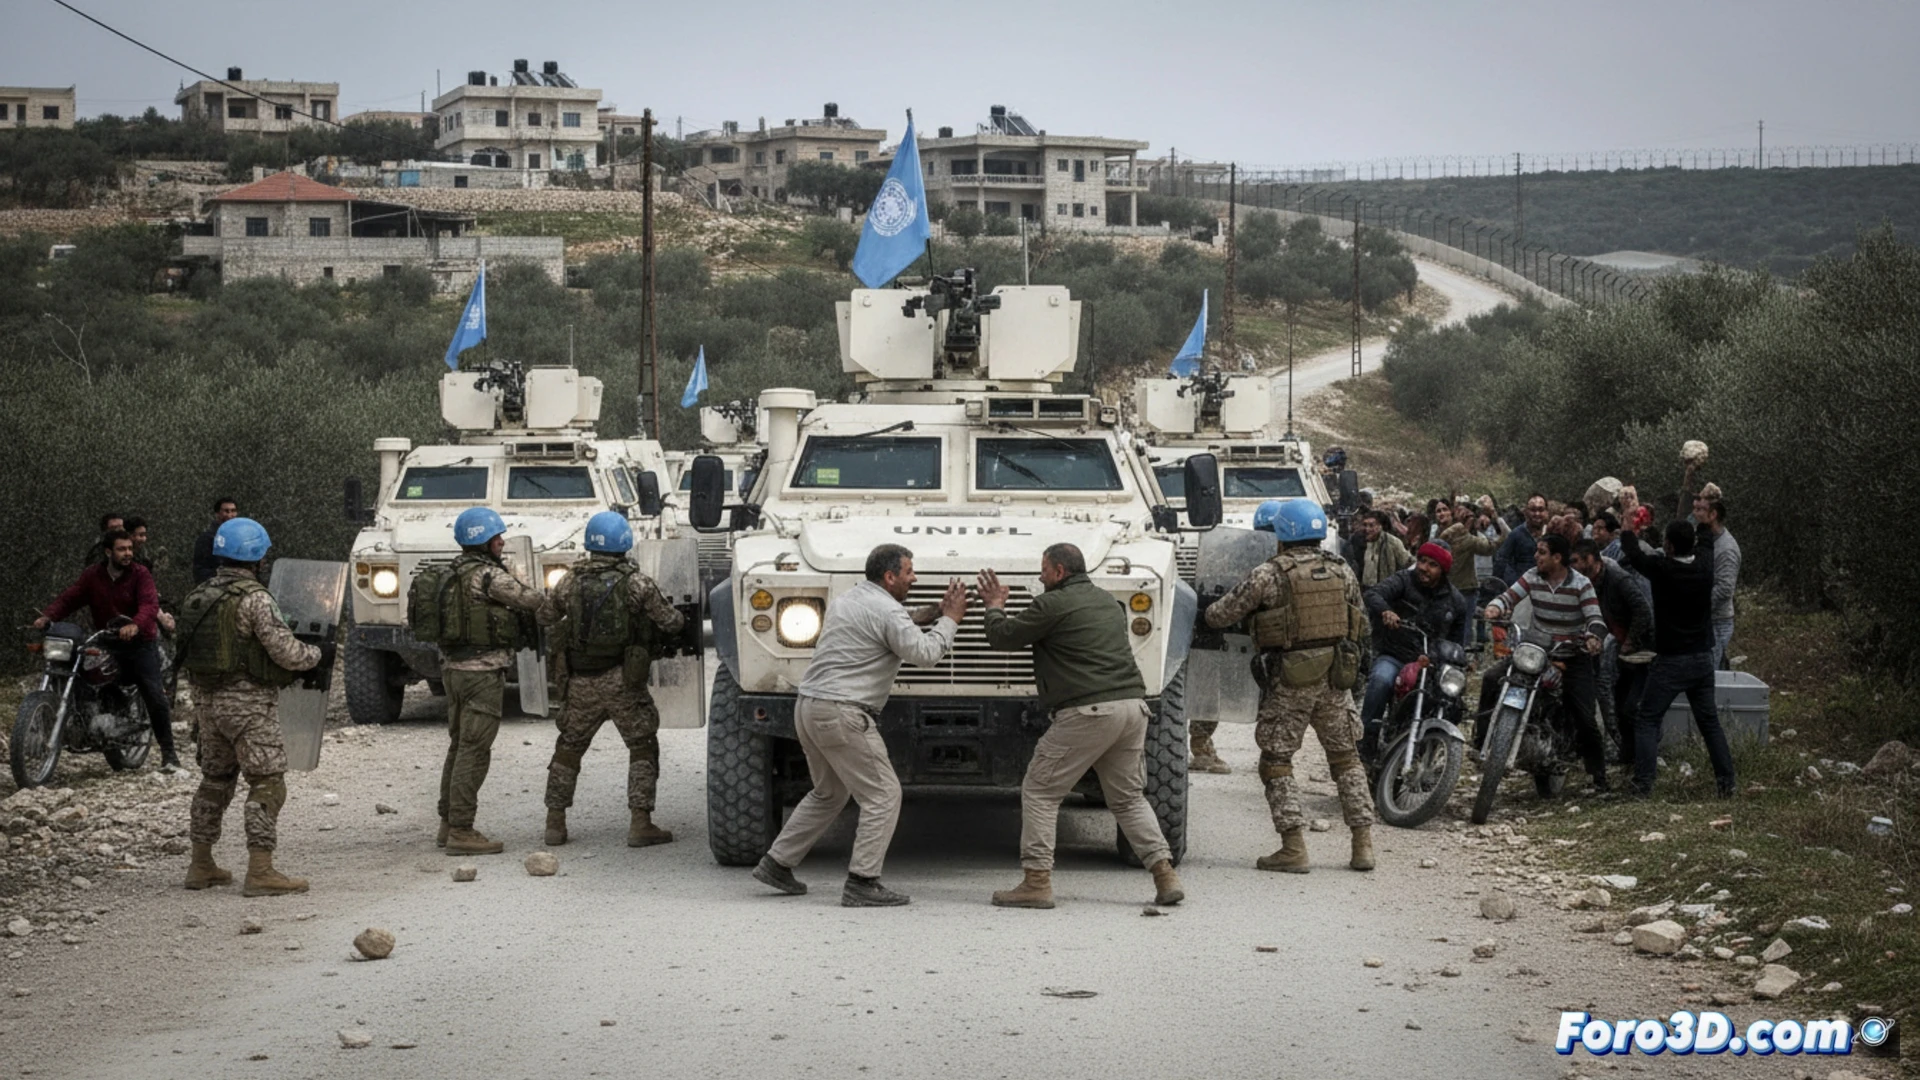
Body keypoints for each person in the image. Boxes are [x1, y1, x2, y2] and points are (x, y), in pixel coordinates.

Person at [752, 544, 965, 907]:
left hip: (808, 708)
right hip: (843, 714)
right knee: (883, 795)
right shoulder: (889, 612)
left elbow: (892, 622)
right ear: (890, 576)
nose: (914, 579)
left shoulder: (850, 600)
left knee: (829, 793)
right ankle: (863, 881)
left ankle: (777, 863)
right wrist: (951, 619)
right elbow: (925, 654)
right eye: (909, 572)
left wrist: (930, 613)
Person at [978, 544, 1185, 910]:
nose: (1040, 577)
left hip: (1088, 712)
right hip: (1132, 708)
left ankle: (1036, 882)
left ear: (1059, 571)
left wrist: (994, 606)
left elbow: (1003, 638)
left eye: (1043, 570)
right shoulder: (1107, 601)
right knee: (1127, 799)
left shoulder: (1052, 604)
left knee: (1041, 791)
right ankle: (1165, 875)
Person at [1204, 499, 1375, 874]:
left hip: (1290, 680)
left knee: (1276, 761)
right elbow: (1359, 620)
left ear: (1281, 536)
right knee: (1346, 759)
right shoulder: (1342, 569)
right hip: (1336, 676)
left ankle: (1293, 847)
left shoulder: (1269, 574)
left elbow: (1220, 614)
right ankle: (1363, 846)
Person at [173, 518, 325, 896]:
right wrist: (316, 654)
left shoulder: (200, 594)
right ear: (256, 557)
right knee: (268, 783)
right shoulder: (255, 598)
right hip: (249, 707)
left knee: (215, 781)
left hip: (207, 705)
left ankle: (201, 864)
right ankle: (260, 870)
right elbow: (286, 652)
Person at [535, 512, 687, 848]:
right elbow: (671, 622)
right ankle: (640, 823)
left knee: (569, 749)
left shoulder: (568, 581)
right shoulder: (637, 583)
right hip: (623, 681)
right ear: (624, 543)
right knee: (642, 746)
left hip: (580, 682)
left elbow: (544, 616)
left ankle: (554, 824)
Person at [435, 507, 548, 856]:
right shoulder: (487, 576)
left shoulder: (449, 573)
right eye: (497, 537)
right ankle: (462, 830)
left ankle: (447, 823)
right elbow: (531, 599)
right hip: (481, 673)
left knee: (458, 746)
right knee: (474, 750)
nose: (501, 542)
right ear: (483, 541)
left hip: (452, 670)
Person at [36, 528, 180, 772]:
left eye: (130, 549)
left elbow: (149, 604)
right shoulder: (93, 575)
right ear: (107, 552)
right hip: (106, 639)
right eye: (122, 549)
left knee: (154, 694)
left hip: (139, 643)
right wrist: (48, 616)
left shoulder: (140, 574)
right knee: (81, 670)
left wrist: (135, 624)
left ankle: (169, 755)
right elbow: (70, 598)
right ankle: (86, 719)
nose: (128, 554)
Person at [1482, 533, 1611, 790]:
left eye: (1541, 552)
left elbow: (1595, 617)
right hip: (1536, 652)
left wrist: (1594, 636)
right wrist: (1494, 608)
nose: (1536, 557)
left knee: (1585, 717)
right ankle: (1481, 744)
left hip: (1572, 656)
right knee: (1491, 679)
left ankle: (1598, 777)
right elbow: (1509, 596)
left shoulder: (1581, 584)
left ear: (1557, 557)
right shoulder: (1531, 576)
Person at [1620, 521, 1736, 797]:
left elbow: (1633, 554)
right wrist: (1707, 519)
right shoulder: (1705, 568)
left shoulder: (1663, 570)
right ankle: (1727, 784)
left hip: (1671, 661)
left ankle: (1643, 785)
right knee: (1709, 724)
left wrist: (1627, 525)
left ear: (1669, 545)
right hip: (1703, 659)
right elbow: (1707, 542)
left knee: (1647, 719)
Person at [1360, 542, 1473, 755]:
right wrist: (1386, 611)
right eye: (1422, 561)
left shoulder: (1456, 601)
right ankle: (1367, 738)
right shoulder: (1403, 580)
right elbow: (1373, 594)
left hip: (1430, 663)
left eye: (1432, 564)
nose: (1424, 567)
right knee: (1381, 680)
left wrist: (1463, 660)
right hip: (1395, 653)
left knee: (1451, 699)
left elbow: (1458, 641)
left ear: (1443, 570)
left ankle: (1435, 749)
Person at [1571, 540, 1655, 770]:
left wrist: (1629, 642)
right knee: (1618, 703)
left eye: (1576, 561)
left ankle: (1644, 760)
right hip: (1620, 646)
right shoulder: (1592, 583)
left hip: (1641, 650)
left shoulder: (1618, 579)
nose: (1573, 566)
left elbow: (1643, 611)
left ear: (1590, 560)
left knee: (1632, 707)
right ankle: (1628, 756)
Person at [1695, 495, 1740, 669]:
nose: (1695, 513)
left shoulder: (1726, 549)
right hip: (1705, 620)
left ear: (1713, 514)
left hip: (1717, 622)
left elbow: (1724, 589)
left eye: (1700, 510)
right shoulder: (1704, 540)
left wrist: (1696, 606)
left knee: (1710, 674)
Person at [124, 516, 178, 633]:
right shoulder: (125, 561)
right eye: (139, 535)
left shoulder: (143, 558)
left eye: (144, 535)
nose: (143, 539)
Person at [1493, 493, 1550, 586]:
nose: (1537, 514)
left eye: (1541, 509)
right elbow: (1501, 560)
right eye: (1533, 510)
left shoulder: (1551, 534)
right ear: (1525, 512)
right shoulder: (1516, 535)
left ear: (1547, 512)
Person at [192, 497, 240, 585]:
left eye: (233, 511)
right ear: (217, 514)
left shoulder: (240, 537)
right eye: (226, 511)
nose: (230, 515)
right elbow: (200, 570)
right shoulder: (207, 538)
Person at [1356, 511, 1412, 587]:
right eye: (1365, 525)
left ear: (1380, 526)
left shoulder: (1392, 543)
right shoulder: (1358, 542)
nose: (1367, 529)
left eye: (1371, 525)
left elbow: (1407, 565)